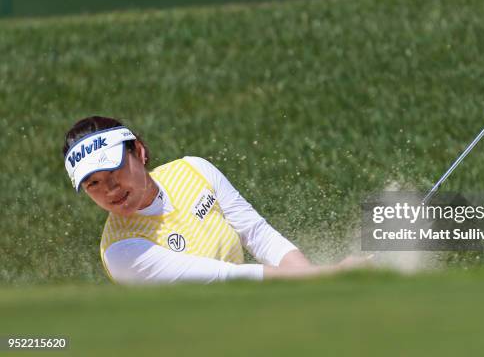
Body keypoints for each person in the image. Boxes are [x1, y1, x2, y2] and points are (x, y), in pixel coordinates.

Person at [63, 116, 368, 285]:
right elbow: (228, 279)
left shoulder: (193, 170)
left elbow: (257, 235)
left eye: (114, 170)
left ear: (139, 152)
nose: (110, 189)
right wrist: (331, 275)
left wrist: (314, 283)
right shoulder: (121, 250)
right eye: (93, 184)